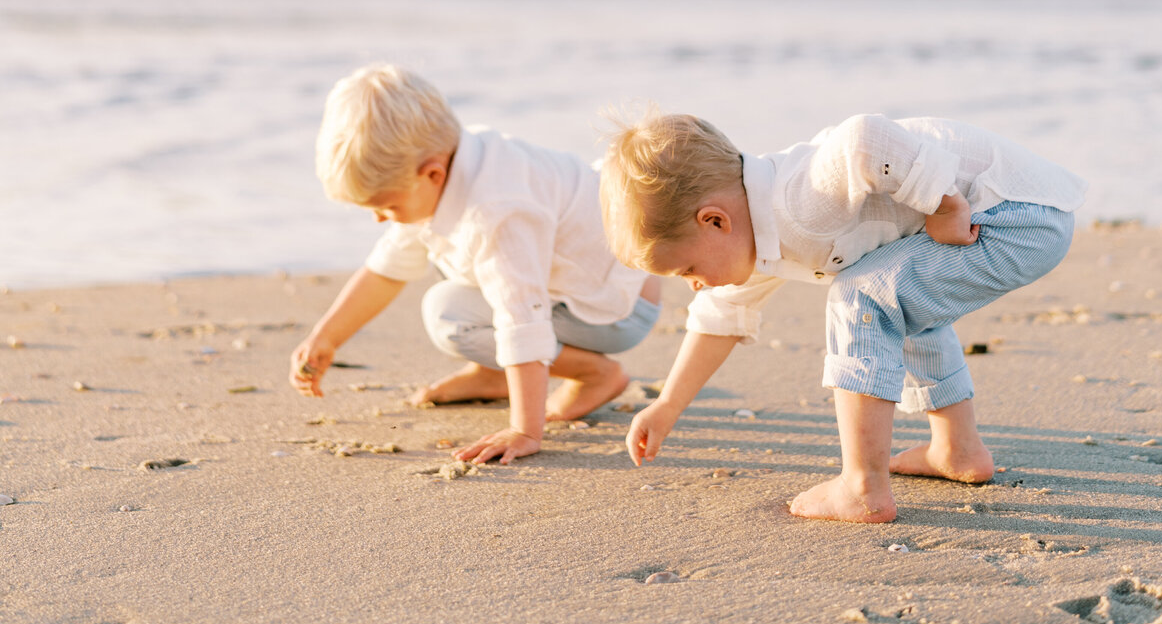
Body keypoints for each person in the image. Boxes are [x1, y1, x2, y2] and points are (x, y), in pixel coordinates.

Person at [599, 107, 1085, 522]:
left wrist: (945, 203)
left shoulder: (798, 200)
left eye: (687, 268)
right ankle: (957, 450)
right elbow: (719, 316)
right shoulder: (754, 238)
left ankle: (862, 487)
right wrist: (667, 405)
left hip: (1014, 215)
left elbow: (865, 137)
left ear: (715, 221)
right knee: (898, 298)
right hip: (1023, 217)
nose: (695, 284)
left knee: (861, 296)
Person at [289, 63, 660, 465]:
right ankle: (494, 372)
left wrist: (524, 430)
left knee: (448, 313)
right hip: (589, 288)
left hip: (616, 308)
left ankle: (594, 374)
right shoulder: (460, 160)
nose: (379, 219)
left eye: (386, 206)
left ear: (431, 173)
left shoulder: (497, 210)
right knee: (444, 260)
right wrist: (325, 336)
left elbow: (523, 314)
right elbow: (387, 268)